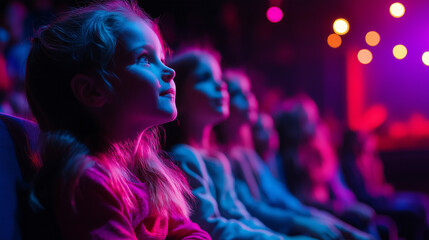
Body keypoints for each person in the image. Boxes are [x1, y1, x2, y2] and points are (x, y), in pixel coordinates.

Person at [25, 1, 210, 239]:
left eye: (162, 58)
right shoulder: (88, 181)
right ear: (93, 91)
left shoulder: (146, 172)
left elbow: (189, 233)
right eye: (144, 59)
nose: (169, 71)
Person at [164, 48, 307, 239]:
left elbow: (239, 216)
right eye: (205, 78)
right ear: (179, 98)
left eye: (219, 78)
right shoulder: (183, 156)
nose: (220, 85)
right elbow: (210, 226)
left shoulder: (216, 157)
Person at [215, 69, 374, 240]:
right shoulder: (224, 157)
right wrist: (303, 221)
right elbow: (252, 209)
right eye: (238, 93)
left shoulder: (248, 154)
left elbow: (282, 199)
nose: (249, 98)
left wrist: (324, 219)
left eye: (249, 92)